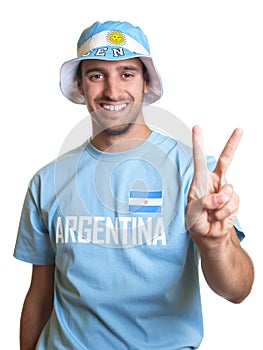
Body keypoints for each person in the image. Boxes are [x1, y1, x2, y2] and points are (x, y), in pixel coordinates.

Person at [14, 20, 254, 350]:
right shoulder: (46, 181)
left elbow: (238, 290)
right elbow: (39, 297)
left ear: (146, 83)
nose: (113, 91)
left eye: (127, 73)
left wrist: (214, 243)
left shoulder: (194, 174)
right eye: (97, 74)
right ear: (81, 86)